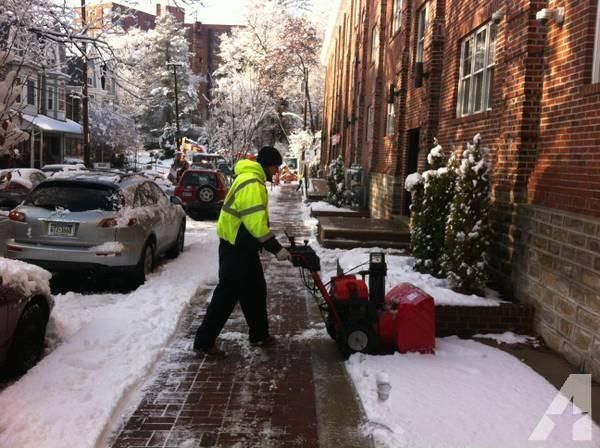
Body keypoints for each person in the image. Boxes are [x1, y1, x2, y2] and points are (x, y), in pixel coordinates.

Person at [193, 146, 291, 357]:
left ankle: (259, 334)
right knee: (226, 296)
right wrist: (276, 249)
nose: (276, 172)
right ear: (266, 165)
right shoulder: (252, 183)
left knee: (255, 291)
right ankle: (203, 342)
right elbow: (254, 222)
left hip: (243, 247)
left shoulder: (248, 178)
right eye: (275, 167)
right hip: (236, 248)